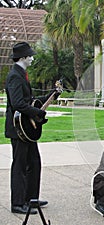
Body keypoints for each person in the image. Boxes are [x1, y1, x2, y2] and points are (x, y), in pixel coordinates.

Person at [5, 42, 57, 214]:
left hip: (27, 130)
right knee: (19, 167)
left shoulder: (22, 75)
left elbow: (31, 100)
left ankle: (31, 198)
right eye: (31, 56)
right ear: (23, 57)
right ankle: (18, 203)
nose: (33, 58)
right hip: (18, 129)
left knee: (34, 163)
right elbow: (17, 103)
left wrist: (52, 94)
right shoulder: (14, 76)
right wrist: (38, 113)